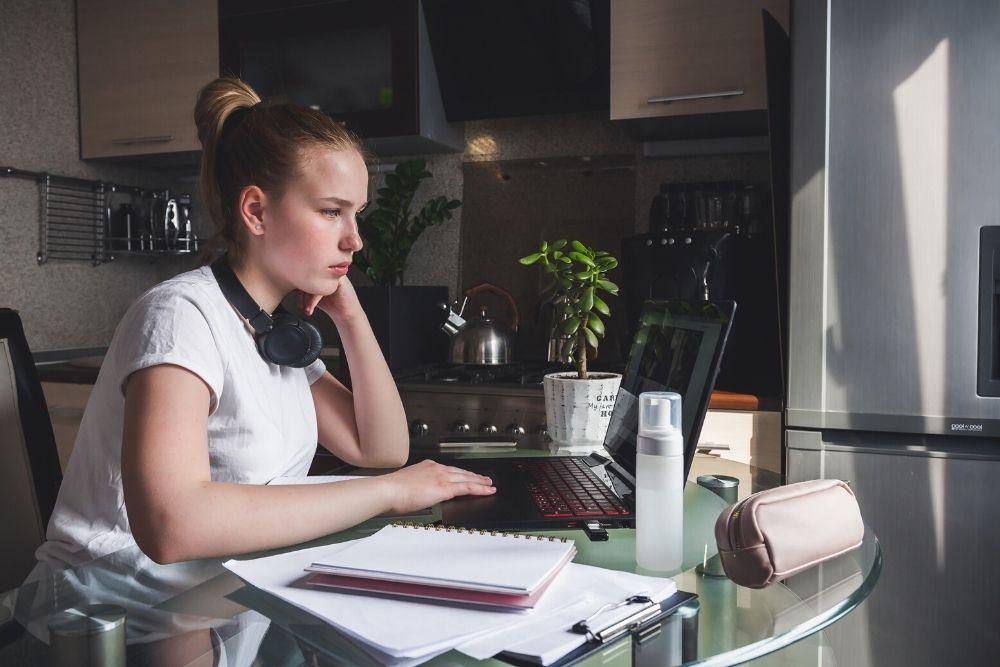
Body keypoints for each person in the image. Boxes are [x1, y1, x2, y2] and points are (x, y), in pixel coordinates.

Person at [32, 77, 496, 574]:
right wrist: (389, 492)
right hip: (114, 609)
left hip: (217, 595)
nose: (355, 240)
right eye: (331, 212)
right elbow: (171, 526)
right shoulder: (180, 315)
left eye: (355, 214)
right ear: (256, 211)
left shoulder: (274, 332)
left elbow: (380, 449)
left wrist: (351, 315)